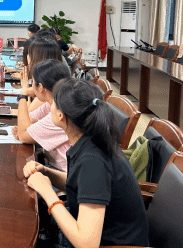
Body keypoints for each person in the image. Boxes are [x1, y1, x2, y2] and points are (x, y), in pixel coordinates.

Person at [23, 79, 149, 247]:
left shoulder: (93, 161)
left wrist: (47, 191)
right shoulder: (92, 140)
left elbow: (87, 243)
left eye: (53, 103)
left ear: (61, 115)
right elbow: (81, 185)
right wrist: (46, 172)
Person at [14, 60, 71, 172]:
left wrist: (23, 95)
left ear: (40, 87)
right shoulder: (53, 102)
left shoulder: (60, 113)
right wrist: (24, 129)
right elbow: (29, 120)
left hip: (65, 174)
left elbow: (23, 136)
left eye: (33, 82)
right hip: (55, 167)